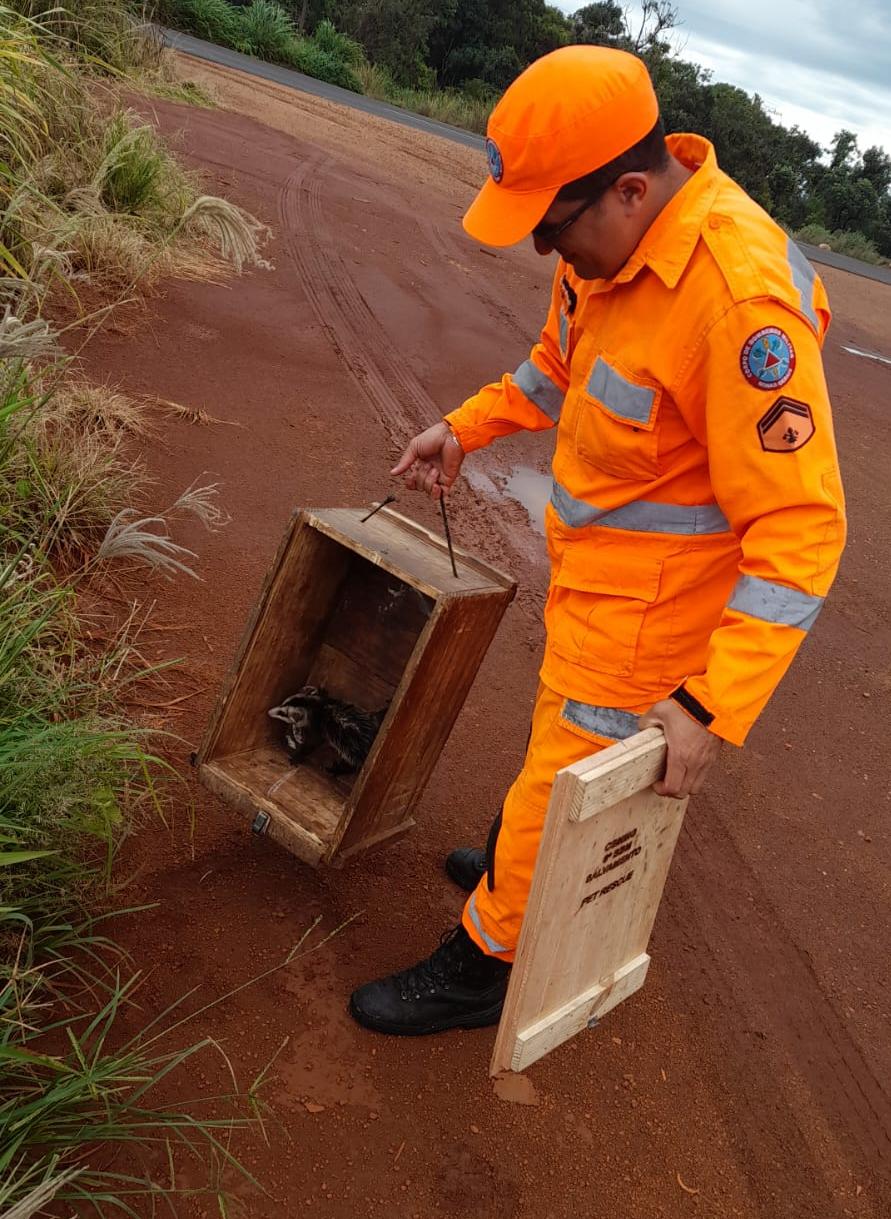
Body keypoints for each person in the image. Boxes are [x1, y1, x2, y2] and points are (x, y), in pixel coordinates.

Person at [348, 45, 846, 1037]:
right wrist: (466, 426)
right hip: (595, 576)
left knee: (562, 774)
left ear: (627, 186)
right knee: (552, 752)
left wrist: (708, 705)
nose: (544, 252)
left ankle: (484, 955)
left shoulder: (736, 301)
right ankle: (519, 858)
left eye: (551, 228)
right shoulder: (609, 253)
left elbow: (800, 529)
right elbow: (555, 367)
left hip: (657, 615)